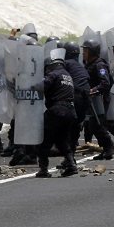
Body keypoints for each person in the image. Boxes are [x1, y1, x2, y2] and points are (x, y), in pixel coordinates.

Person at [36, 49, 78, 178]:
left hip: (57, 110)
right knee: (62, 140)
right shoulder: (67, 75)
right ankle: (71, 164)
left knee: (42, 138)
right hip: (71, 112)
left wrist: (27, 84)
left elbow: (40, 86)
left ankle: (43, 168)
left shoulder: (53, 74)